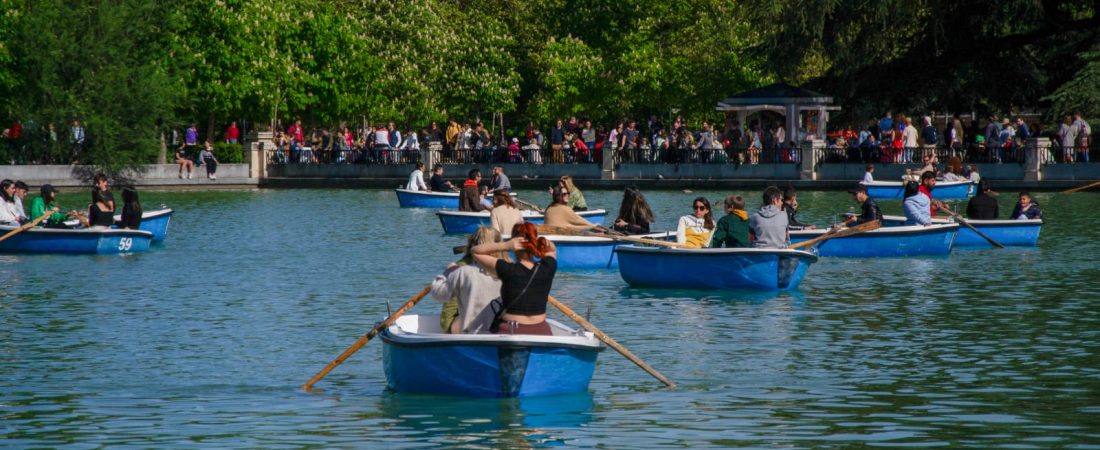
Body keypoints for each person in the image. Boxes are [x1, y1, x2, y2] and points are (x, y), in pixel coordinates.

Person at [472, 222, 558, 336]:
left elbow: (475, 251)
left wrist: (504, 246)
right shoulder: (548, 267)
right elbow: (552, 249)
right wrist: (537, 242)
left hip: (512, 330)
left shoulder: (507, 269)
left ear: (514, 242)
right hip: (542, 331)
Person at [431, 227, 510, 334]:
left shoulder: (463, 271)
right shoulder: (512, 269)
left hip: (471, 331)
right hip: (501, 329)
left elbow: (437, 294)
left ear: (473, 247)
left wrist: (448, 273)